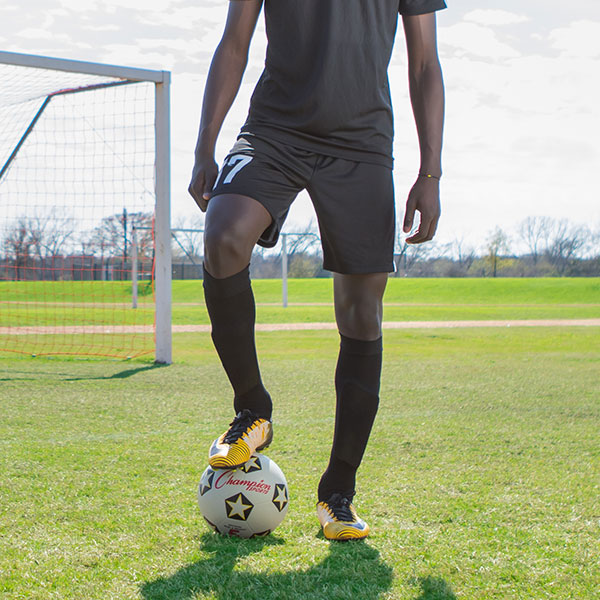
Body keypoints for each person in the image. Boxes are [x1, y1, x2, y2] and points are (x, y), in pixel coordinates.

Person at [188, 0, 445, 541]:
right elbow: (235, 41)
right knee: (224, 235)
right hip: (274, 129)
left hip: (362, 145)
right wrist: (205, 144)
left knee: (361, 313)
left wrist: (431, 171)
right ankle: (252, 410)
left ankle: (338, 494)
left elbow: (424, 62)